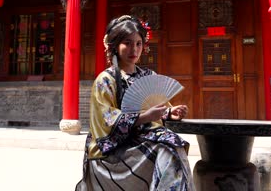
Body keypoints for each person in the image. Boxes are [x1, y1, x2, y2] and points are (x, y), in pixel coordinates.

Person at [76, 15, 195, 191]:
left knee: (173, 144)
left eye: (138, 43)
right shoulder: (105, 80)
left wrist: (170, 112)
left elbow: (157, 106)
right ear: (115, 46)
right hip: (113, 148)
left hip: (142, 139)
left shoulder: (148, 76)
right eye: (128, 43)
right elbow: (105, 121)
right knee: (167, 150)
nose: (134, 49)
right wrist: (143, 117)